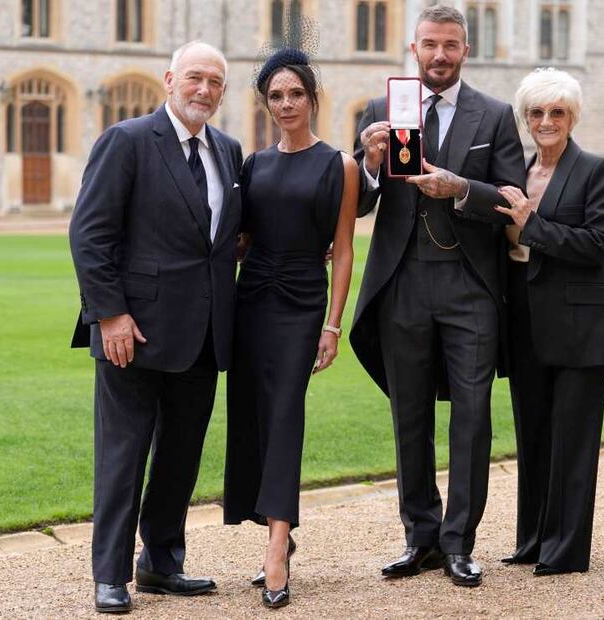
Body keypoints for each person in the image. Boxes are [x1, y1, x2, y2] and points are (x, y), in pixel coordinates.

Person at [351, 5, 525, 587]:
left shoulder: (495, 116)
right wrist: (370, 165)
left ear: (465, 51)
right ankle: (420, 538)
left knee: (473, 419)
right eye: (430, 44)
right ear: (414, 47)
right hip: (402, 282)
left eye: (450, 45)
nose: (440, 55)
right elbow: (358, 205)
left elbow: (510, 199)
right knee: (409, 417)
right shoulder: (382, 111)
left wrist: (461, 189)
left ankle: (459, 542)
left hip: (469, 286)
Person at [69, 41, 243, 613]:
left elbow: (221, 240)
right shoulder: (128, 140)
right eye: (195, 78)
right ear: (169, 80)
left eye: (215, 82)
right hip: (133, 332)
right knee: (124, 455)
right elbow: (90, 234)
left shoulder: (227, 149)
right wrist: (110, 314)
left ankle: (161, 564)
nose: (205, 90)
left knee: (179, 458)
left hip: (203, 333)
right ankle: (110, 575)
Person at [222, 47, 359, 608]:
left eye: (295, 93)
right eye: (275, 96)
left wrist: (333, 325)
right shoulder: (253, 164)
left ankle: (276, 548)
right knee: (254, 417)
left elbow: (345, 251)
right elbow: (241, 241)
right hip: (250, 299)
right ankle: (279, 529)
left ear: (312, 98)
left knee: (285, 415)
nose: (285, 104)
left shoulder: (340, 165)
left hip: (302, 303)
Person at [482, 68, 604, 575]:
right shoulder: (517, 171)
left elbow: (597, 245)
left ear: (571, 117)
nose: (546, 122)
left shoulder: (594, 170)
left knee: (574, 438)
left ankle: (566, 549)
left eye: (556, 113)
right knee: (533, 432)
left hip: (580, 323)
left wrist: (531, 224)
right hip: (524, 316)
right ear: (525, 119)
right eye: (536, 113)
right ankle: (534, 539)